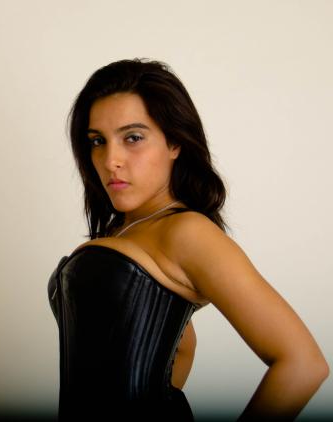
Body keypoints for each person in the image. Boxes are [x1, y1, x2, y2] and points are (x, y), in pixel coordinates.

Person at [47, 58, 328, 421]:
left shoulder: (186, 231)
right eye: (98, 141)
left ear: (175, 142)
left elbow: (303, 364)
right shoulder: (127, 230)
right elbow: (177, 348)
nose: (110, 159)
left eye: (133, 138)